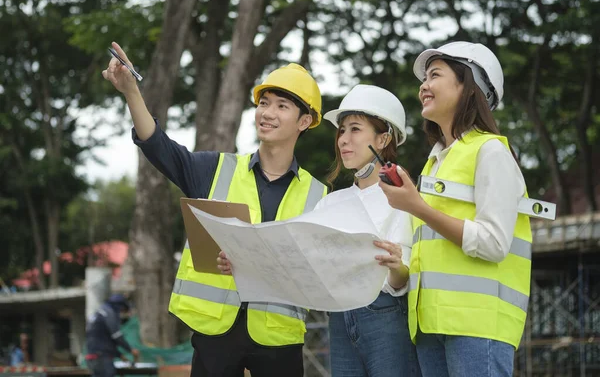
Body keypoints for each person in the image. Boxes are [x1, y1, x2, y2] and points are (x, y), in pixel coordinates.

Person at [102, 42, 327, 377]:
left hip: (278, 336)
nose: (267, 113)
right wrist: (131, 92)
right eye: (263, 103)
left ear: (304, 121)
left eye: (282, 106)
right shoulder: (216, 170)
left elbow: (320, 272)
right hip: (215, 332)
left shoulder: (319, 196)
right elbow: (160, 148)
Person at [379, 41, 532, 376]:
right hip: (430, 325)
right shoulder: (435, 163)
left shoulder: (491, 152)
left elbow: (493, 243)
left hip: (477, 325)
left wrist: (417, 206)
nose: (423, 85)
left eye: (435, 75)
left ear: (469, 86)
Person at [306, 84, 421, 377]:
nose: (343, 139)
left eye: (355, 129)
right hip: (340, 316)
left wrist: (396, 266)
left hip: (386, 315)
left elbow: (401, 280)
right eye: (341, 130)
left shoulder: (404, 198)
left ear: (383, 139)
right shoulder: (331, 202)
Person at [85, 294, 140, 377]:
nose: (121, 313)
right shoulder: (109, 313)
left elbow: (104, 339)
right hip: (102, 358)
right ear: (120, 306)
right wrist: (130, 349)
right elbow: (116, 336)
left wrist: (119, 355)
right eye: (123, 310)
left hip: (92, 357)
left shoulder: (99, 312)